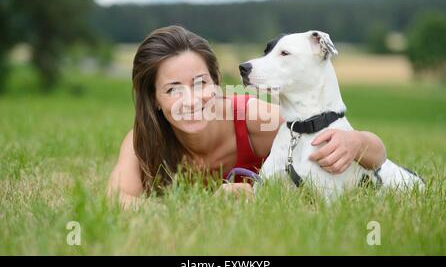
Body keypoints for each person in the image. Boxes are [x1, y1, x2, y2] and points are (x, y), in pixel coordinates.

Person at [107, 26, 386, 208]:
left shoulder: (254, 119)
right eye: (172, 89)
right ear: (154, 98)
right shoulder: (143, 142)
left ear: (216, 82)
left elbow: (377, 156)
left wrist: (357, 142)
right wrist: (205, 208)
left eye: (200, 83)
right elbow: (115, 199)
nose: (191, 100)